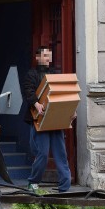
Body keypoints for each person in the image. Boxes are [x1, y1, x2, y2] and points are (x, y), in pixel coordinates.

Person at [22, 46, 73, 193]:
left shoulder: (55, 74)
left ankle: (65, 186)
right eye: (45, 56)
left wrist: (71, 110)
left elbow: (64, 94)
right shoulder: (31, 74)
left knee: (61, 154)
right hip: (40, 120)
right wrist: (36, 104)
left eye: (49, 56)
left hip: (55, 120)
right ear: (37, 57)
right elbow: (28, 92)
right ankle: (33, 182)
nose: (48, 59)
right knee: (42, 154)